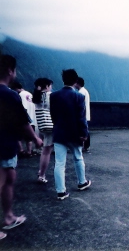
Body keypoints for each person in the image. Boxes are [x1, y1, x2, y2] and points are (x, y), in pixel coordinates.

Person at [0, 55, 43, 238]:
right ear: (10, 70)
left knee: (9, 176)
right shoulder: (9, 94)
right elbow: (23, 122)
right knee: (2, 181)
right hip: (3, 144)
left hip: (6, 143)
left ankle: (9, 217)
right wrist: (35, 139)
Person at [50, 69, 91, 200]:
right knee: (78, 157)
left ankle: (61, 191)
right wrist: (84, 133)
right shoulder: (79, 96)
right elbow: (81, 118)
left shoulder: (54, 96)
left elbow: (53, 115)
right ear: (75, 81)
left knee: (59, 162)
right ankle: (82, 182)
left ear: (63, 80)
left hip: (59, 132)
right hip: (74, 134)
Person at [33, 78, 54, 183]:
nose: (51, 88)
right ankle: (41, 174)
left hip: (40, 125)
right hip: (50, 126)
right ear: (46, 86)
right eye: (50, 85)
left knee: (44, 151)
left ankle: (41, 172)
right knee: (47, 151)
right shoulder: (49, 96)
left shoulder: (36, 97)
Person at [10, 81, 38, 158]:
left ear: (16, 88)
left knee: (18, 136)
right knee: (29, 138)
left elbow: (23, 107)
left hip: (24, 119)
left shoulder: (20, 95)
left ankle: (21, 151)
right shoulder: (30, 94)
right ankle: (29, 151)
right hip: (32, 118)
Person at [75, 77, 91, 153]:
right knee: (86, 130)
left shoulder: (81, 92)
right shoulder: (85, 91)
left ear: (78, 83)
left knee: (84, 130)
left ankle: (85, 145)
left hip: (82, 114)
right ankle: (87, 146)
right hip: (86, 113)